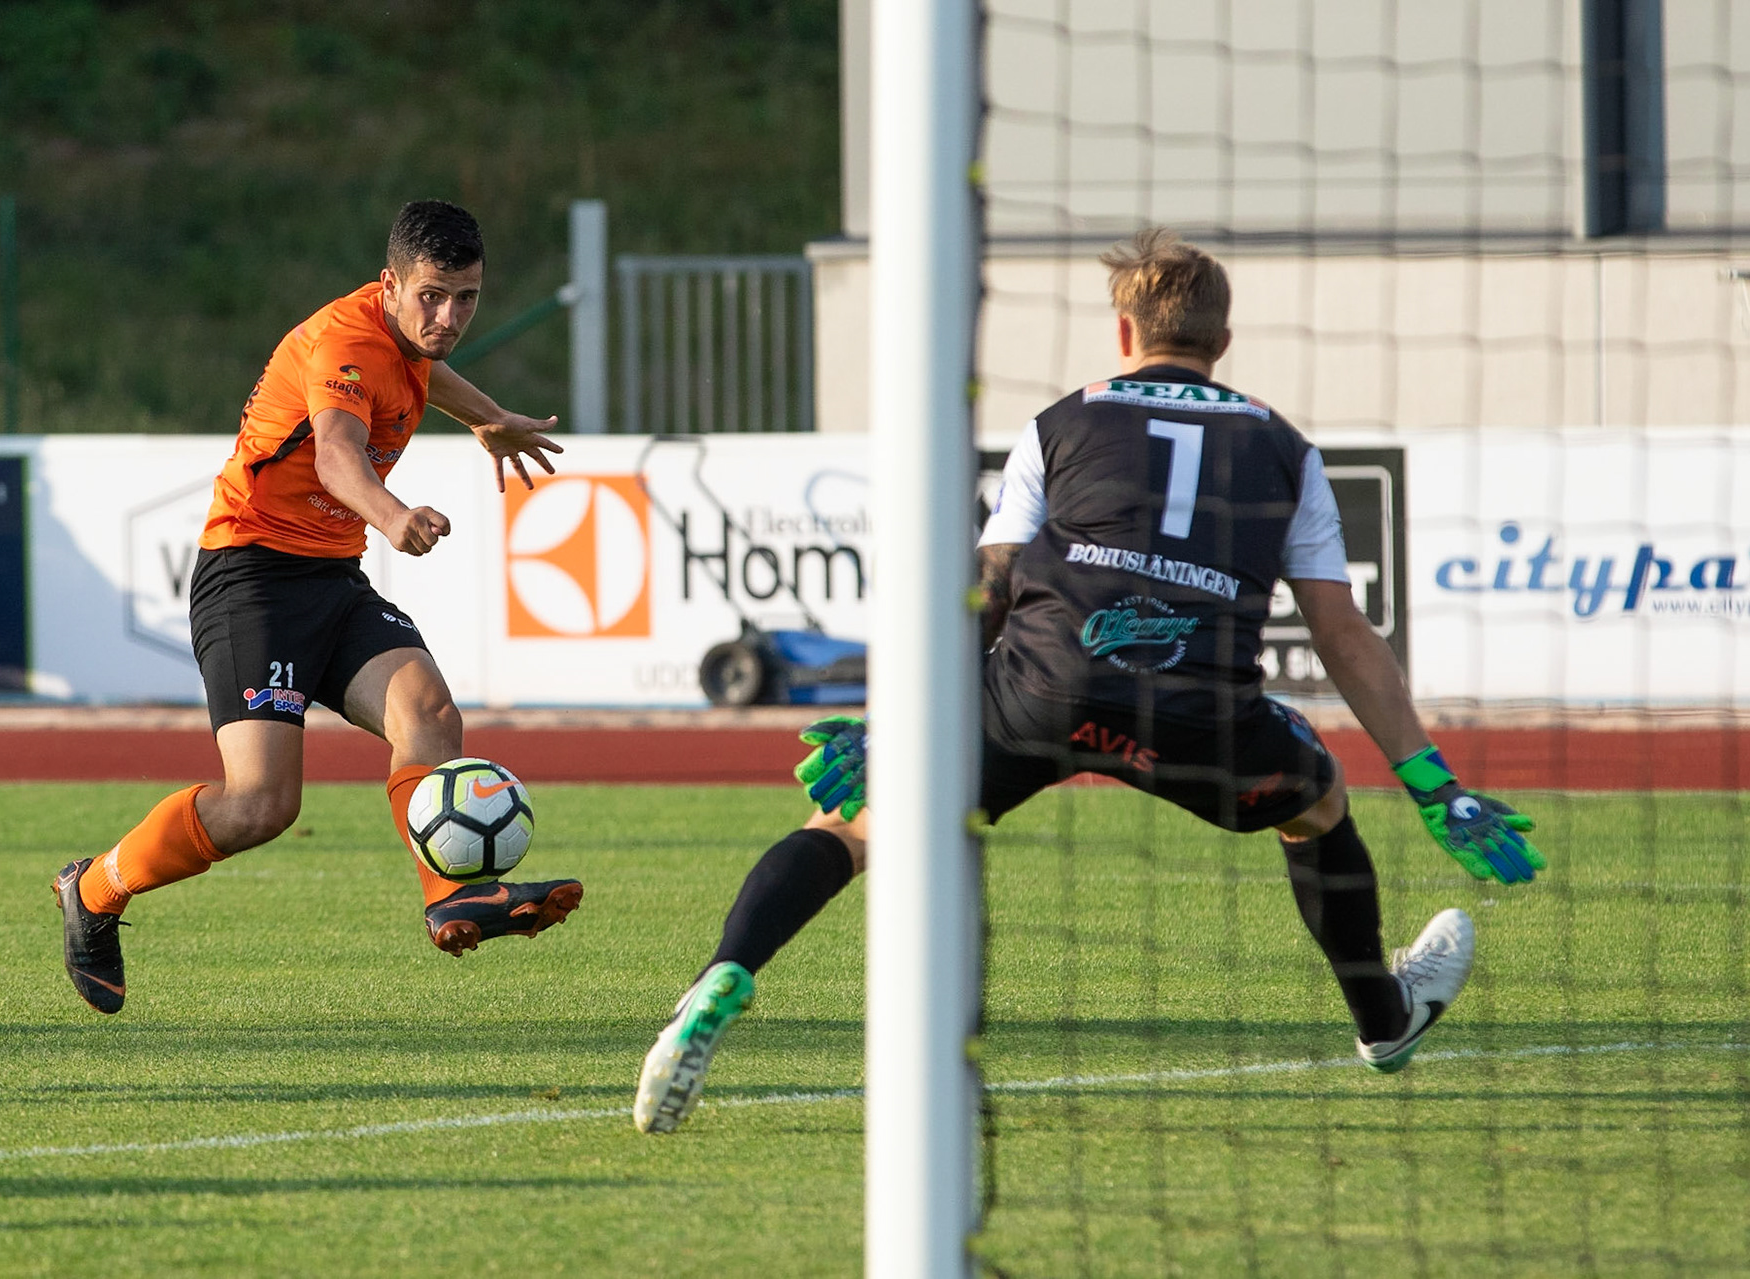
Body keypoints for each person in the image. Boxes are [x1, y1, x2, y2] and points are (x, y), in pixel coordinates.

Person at [633, 228, 1543, 1134]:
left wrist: (891, 723)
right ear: (1222, 343)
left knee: (848, 827)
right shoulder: (1285, 447)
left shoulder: (1062, 421)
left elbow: (985, 590)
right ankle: (1383, 1022)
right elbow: (1340, 630)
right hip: (1198, 713)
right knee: (1317, 806)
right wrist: (1436, 785)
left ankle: (727, 972)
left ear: (1123, 333)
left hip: (1040, 690)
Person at [55, 200, 583, 1015]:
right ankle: (94, 888)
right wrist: (394, 514)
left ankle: (452, 897)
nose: (448, 318)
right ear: (390, 285)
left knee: (430, 711)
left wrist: (489, 418)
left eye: (467, 298)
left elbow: (421, 370)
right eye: (433, 296)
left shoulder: (403, 338)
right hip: (251, 577)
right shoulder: (342, 342)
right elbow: (337, 454)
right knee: (261, 805)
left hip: (331, 579)